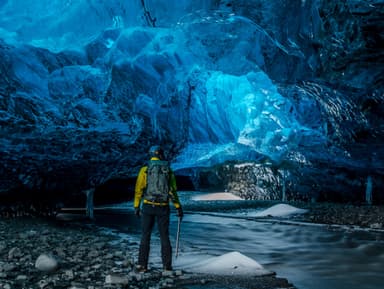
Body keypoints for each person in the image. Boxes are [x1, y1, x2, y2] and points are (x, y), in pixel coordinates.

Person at [134, 145, 183, 272]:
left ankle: (142, 265)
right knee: (164, 236)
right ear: (161, 154)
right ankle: (167, 266)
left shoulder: (145, 169)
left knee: (145, 235)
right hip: (163, 207)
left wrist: (136, 206)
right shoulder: (168, 170)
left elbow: (138, 189)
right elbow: (172, 191)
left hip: (148, 206)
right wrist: (178, 207)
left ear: (151, 155)